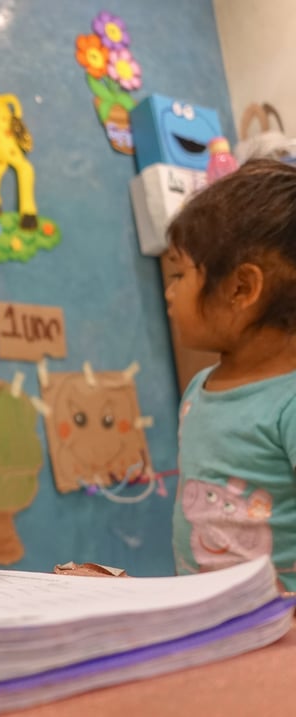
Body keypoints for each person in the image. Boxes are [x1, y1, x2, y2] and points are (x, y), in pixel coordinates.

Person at [165, 158, 296, 591]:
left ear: (242, 289)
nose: (170, 291)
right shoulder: (198, 388)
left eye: (180, 274)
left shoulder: (288, 401)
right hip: (212, 619)